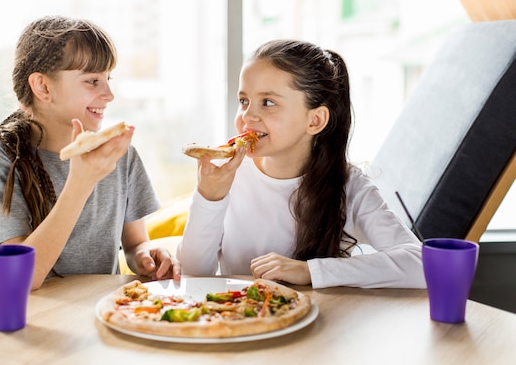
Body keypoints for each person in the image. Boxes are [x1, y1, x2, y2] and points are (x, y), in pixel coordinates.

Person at [176, 39, 425, 289]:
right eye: (244, 101)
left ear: (315, 120)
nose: (247, 116)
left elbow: (421, 265)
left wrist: (310, 271)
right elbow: (193, 274)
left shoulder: (349, 185)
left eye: (268, 102)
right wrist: (209, 198)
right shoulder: (229, 176)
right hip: (239, 320)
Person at [0, 15, 180, 289]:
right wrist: (81, 182)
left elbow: (135, 242)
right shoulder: (0, 162)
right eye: (92, 81)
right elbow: (18, 280)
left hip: (102, 309)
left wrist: (144, 255)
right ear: (43, 87)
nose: (109, 94)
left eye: (108, 78)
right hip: (38, 317)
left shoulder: (121, 155)